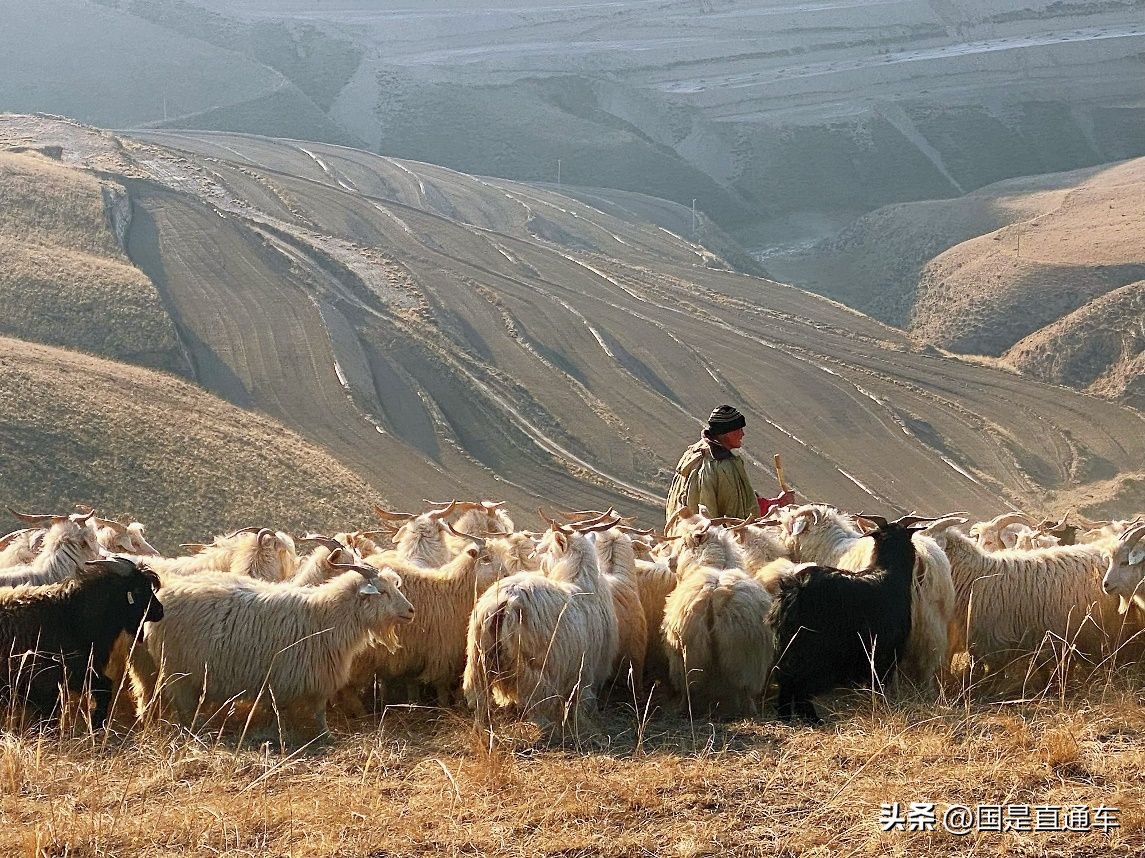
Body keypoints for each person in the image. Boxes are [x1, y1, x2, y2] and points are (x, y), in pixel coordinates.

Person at [664, 404, 794, 527]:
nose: (743, 434)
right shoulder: (723, 466)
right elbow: (739, 513)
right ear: (727, 433)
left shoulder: (692, 454)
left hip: (685, 537)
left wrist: (776, 502)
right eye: (739, 429)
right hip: (711, 543)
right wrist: (777, 504)